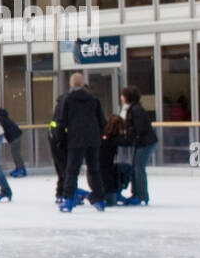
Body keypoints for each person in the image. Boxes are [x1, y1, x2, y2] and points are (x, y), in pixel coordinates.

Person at [54, 72, 107, 211]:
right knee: (94, 169)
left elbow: (62, 121)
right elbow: (102, 121)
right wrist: (100, 135)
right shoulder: (94, 99)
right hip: (93, 139)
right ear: (83, 84)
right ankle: (100, 199)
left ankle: (69, 199)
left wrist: (59, 139)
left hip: (75, 139)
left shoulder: (68, 99)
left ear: (71, 84)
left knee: (72, 170)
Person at [119, 86, 156, 205]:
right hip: (141, 142)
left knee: (138, 168)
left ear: (127, 97)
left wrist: (129, 137)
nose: (121, 98)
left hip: (145, 143)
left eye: (122, 95)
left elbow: (138, 128)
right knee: (136, 167)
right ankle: (136, 193)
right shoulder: (132, 109)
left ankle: (141, 195)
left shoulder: (136, 110)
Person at [99, 114, 129, 206]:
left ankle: (113, 193)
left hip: (99, 174)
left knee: (123, 168)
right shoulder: (112, 140)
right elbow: (128, 141)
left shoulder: (103, 135)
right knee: (127, 168)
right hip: (103, 177)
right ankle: (88, 194)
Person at [0, 107, 27, 177]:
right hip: (15, 136)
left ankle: (21, 169)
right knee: (15, 153)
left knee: (16, 154)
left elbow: (0, 130)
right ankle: (18, 168)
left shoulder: (1, 119)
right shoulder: (4, 118)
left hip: (14, 137)